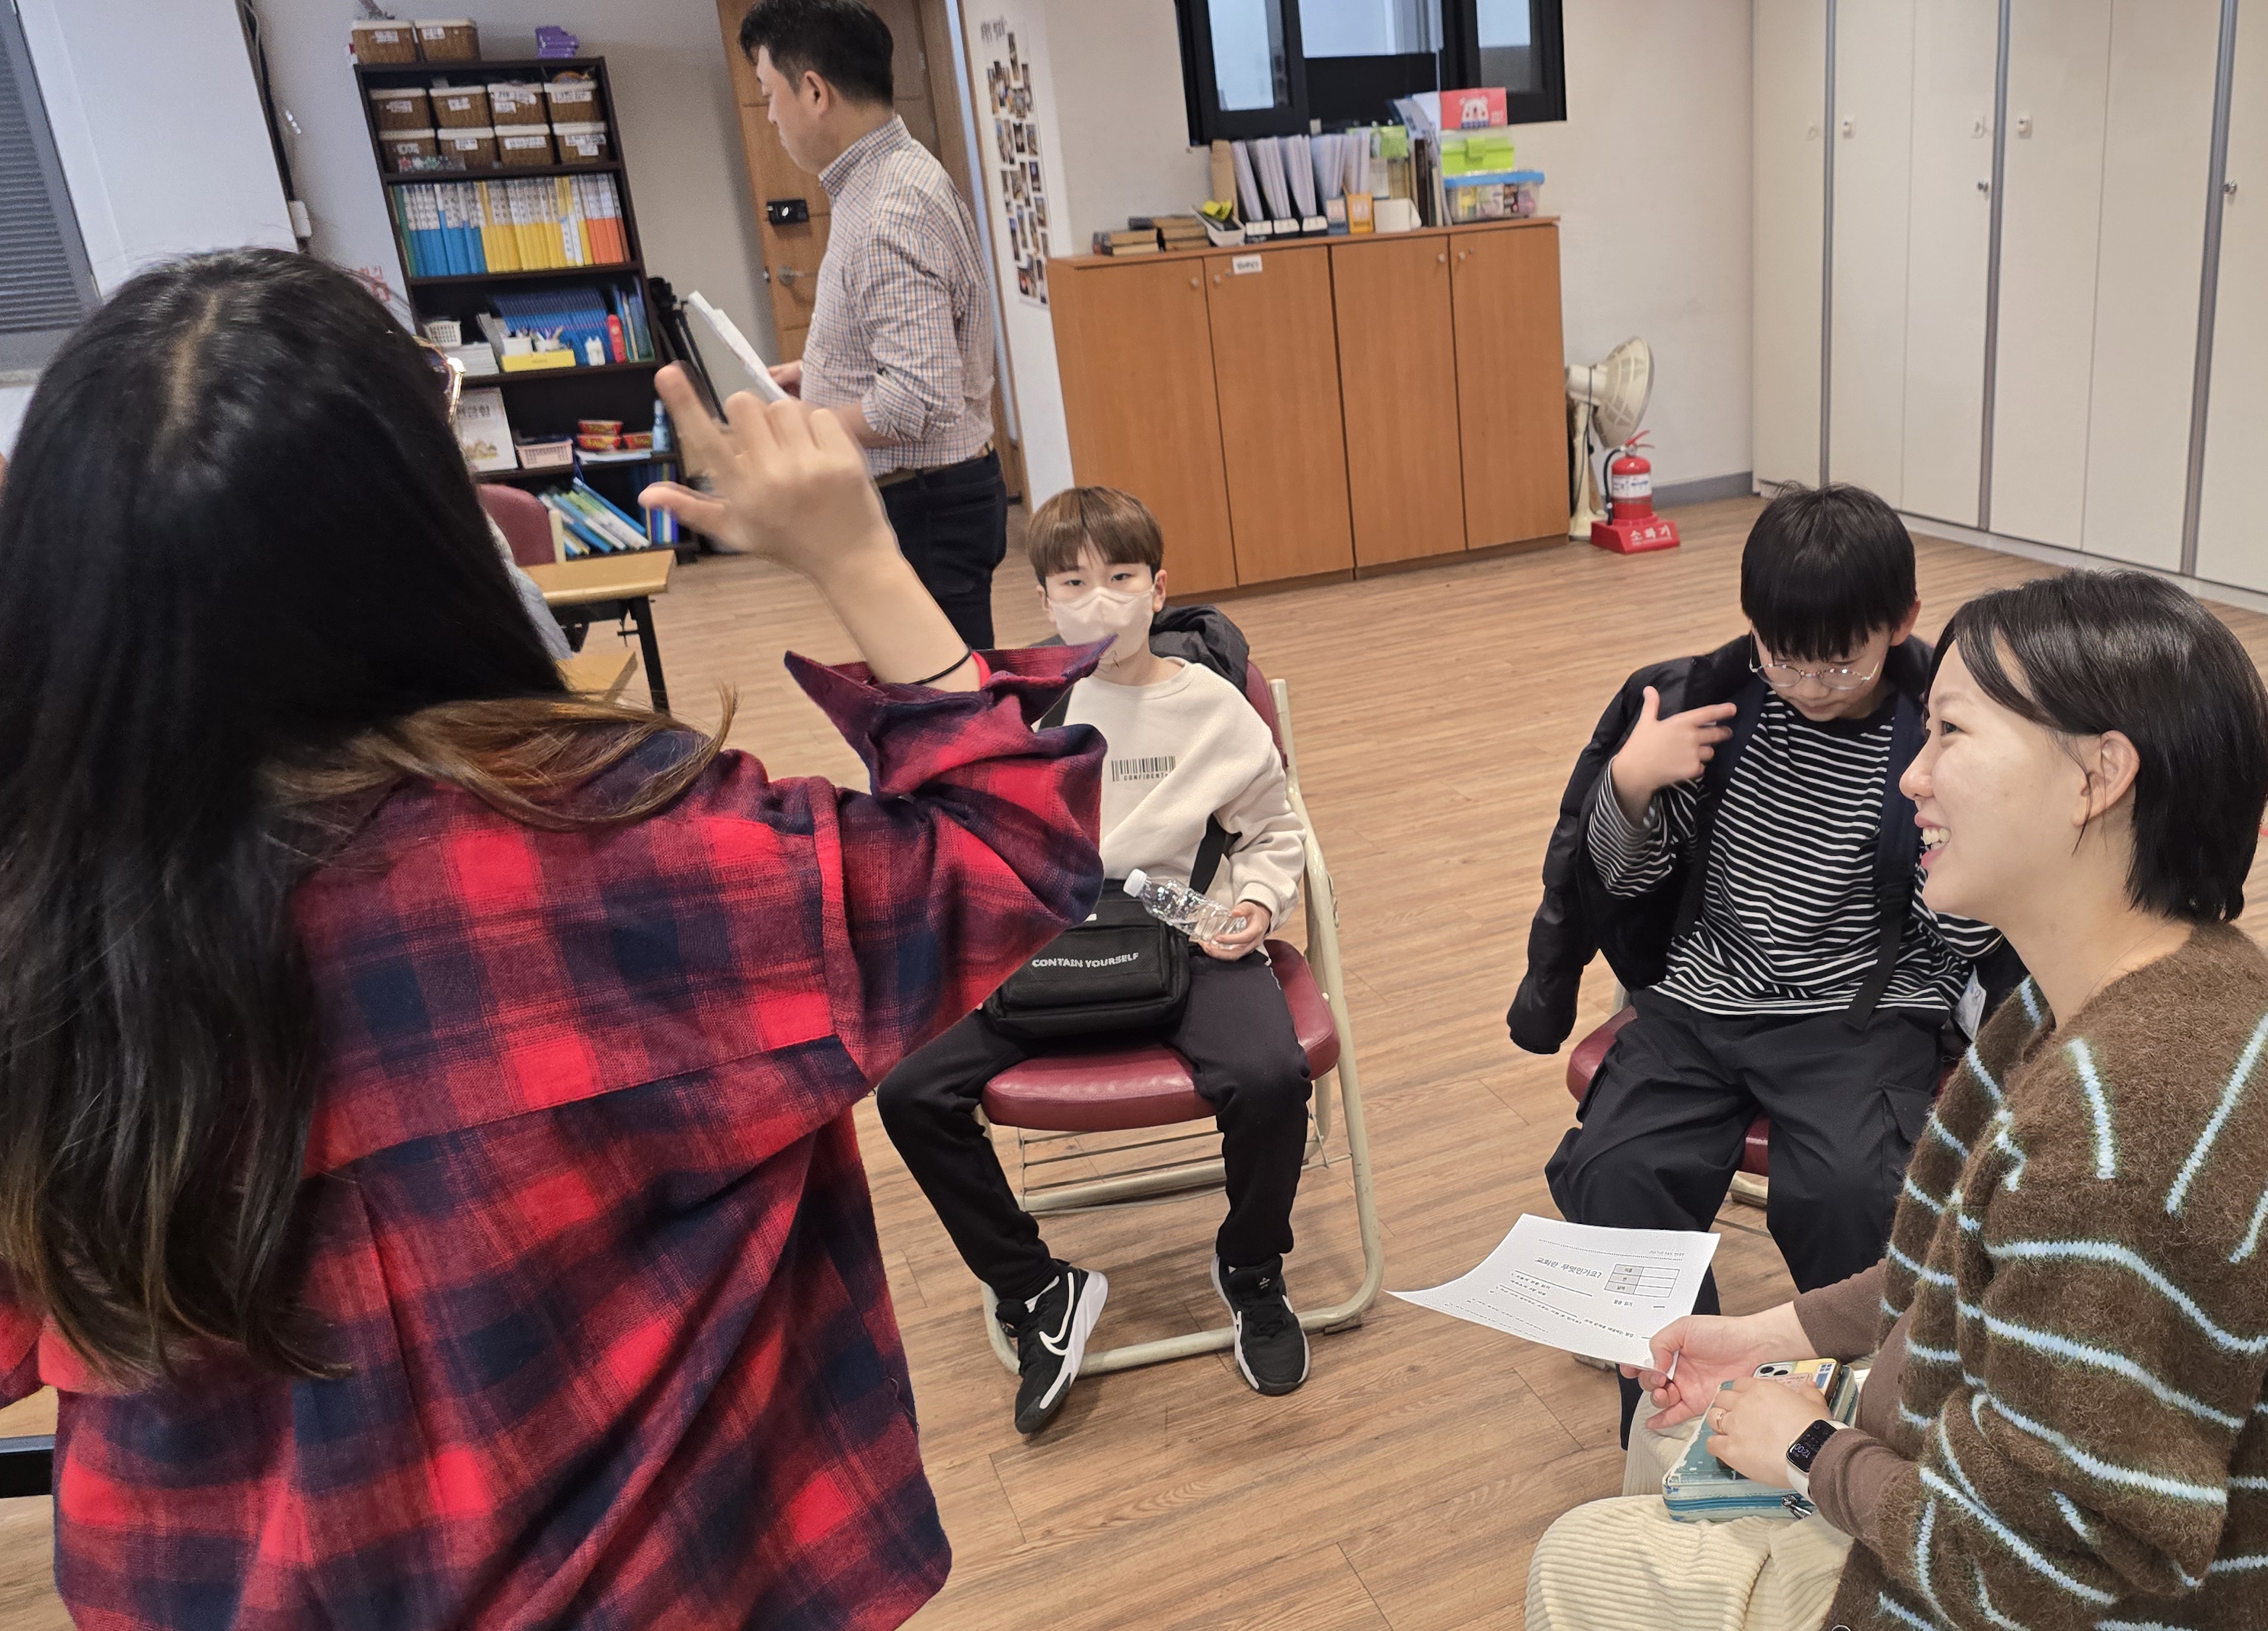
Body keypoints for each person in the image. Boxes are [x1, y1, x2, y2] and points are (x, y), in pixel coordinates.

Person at [0, 249, 1105, 1629]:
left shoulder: (42, 924)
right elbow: (1009, 854)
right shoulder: (604, 854)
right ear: (421, 524)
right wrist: (858, 556)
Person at [1523, 571, 2268, 1631]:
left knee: (1579, 1560)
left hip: (2034, 1587)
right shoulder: (2135, 986)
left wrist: (1810, 1450)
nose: (1911, 778)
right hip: (1978, 1471)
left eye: (1953, 735)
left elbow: (2024, 1572)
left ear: (2099, 775)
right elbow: (1970, 1261)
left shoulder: (2123, 1140)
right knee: (1676, 1436)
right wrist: (1764, 1335)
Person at [1512, 485, 2020, 1441]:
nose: (1811, 684)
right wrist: (1631, 784)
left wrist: (1950, 851)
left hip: (1862, 1014)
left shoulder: (1938, 736)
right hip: (1702, 1000)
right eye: (1783, 656)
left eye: (1840, 661)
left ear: (1901, 622)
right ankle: (1674, 1412)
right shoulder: (1711, 708)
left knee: (1855, 1194)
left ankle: (1858, 1426)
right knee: (1617, 1170)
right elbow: (1623, 884)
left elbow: (1969, 936)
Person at [876, 486, 1315, 1435]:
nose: (1101, 600)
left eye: (1121, 576)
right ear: (1044, 599)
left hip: (1178, 920)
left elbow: (1274, 832)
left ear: (1159, 587)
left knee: (1271, 1075)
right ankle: (1038, 1288)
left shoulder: (1214, 707)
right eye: (1074, 583)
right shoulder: (1020, 707)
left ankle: (1251, 1266)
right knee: (910, 1090)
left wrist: (1254, 902)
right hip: (1045, 931)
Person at [739, 0, 1008, 647]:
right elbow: (909, 346)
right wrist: (823, 374)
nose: (770, 116)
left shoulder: (890, 210)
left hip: (928, 505)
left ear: (814, 91)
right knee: (930, 690)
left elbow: (918, 397)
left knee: (945, 699)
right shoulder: (883, 178)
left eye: (770, 94)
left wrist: (810, 422)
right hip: (927, 497)